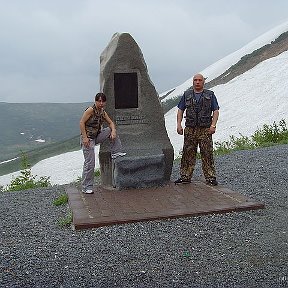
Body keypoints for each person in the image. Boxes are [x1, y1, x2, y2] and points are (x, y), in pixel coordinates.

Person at [174, 73, 219, 186]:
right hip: (190, 129)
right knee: (188, 153)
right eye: (195, 80)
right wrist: (179, 124)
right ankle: (185, 176)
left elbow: (216, 111)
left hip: (205, 129)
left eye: (200, 80)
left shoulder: (210, 95)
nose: (197, 82)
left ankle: (210, 177)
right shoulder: (187, 95)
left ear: (203, 82)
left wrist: (213, 125)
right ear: (193, 82)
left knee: (207, 153)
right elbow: (180, 110)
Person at [79, 92, 126, 194]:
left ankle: (116, 152)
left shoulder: (102, 112)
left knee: (110, 129)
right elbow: (81, 122)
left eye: (103, 101)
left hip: (96, 136)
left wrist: (113, 131)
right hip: (88, 139)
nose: (101, 103)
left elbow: (111, 123)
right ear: (95, 101)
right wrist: (84, 137)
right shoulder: (90, 110)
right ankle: (86, 187)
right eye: (99, 101)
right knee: (90, 163)